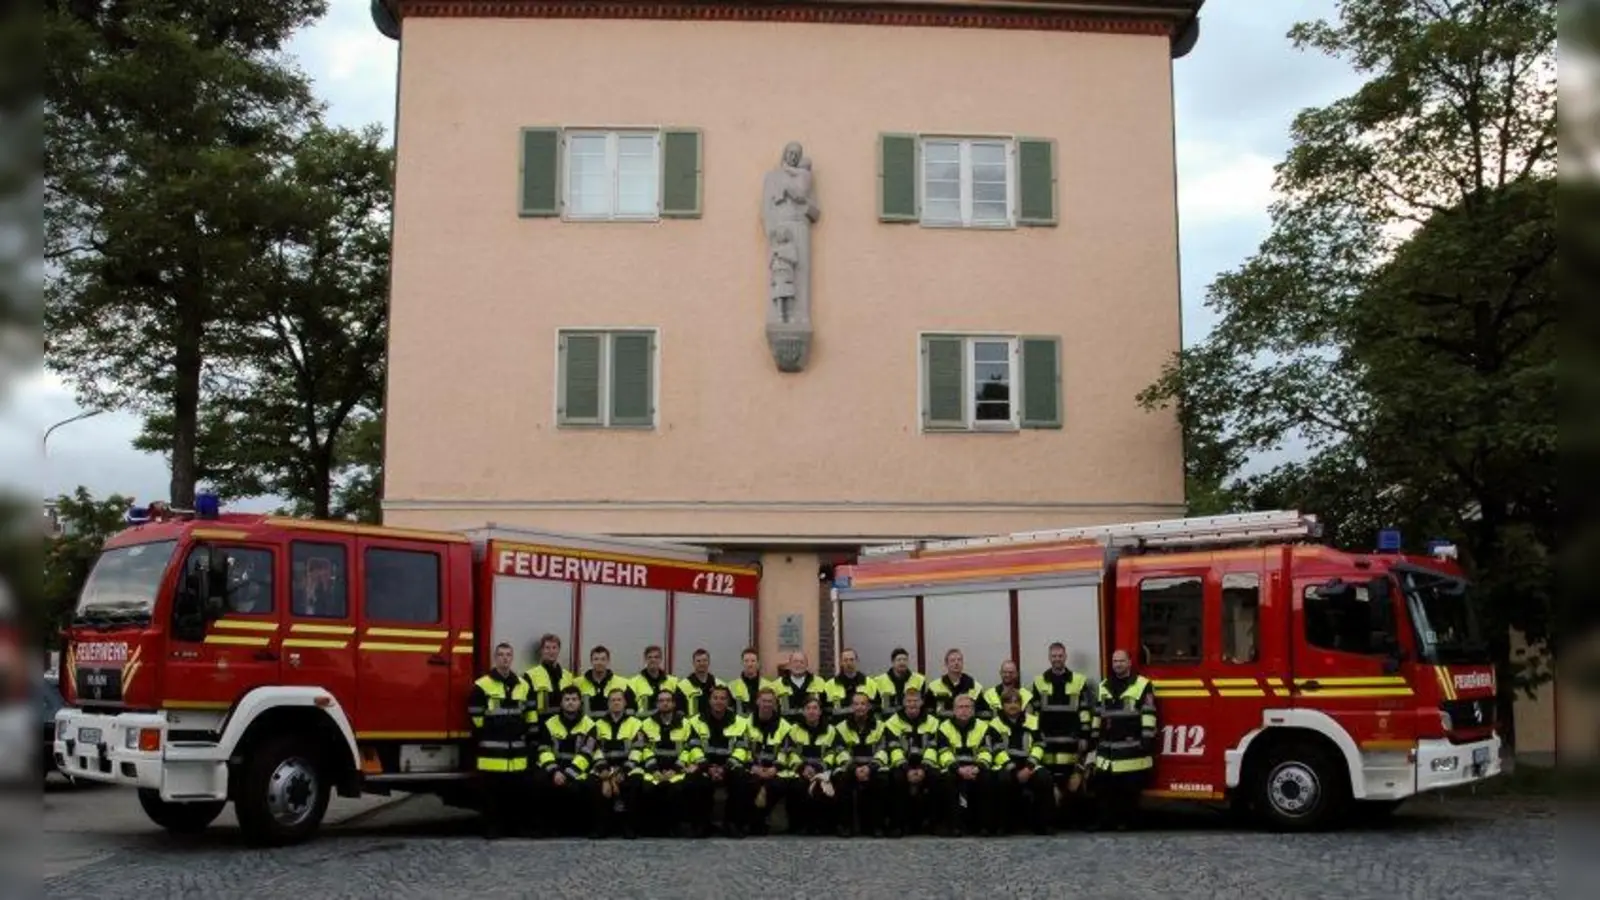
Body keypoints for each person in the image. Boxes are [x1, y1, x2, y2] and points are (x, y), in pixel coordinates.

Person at [466, 641, 531, 839]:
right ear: (495, 658)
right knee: (491, 796)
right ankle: (492, 829)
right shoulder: (482, 685)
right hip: (492, 754)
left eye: (508, 655)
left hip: (517, 754)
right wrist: (492, 733)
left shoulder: (523, 685)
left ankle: (514, 828)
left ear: (512, 658)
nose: (505, 658)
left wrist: (525, 735)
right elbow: (476, 717)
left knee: (515, 795)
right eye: (501, 655)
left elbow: (530, 715)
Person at [1089, 648, 1157, 831]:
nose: (1117, 664)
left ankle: (1126, 822)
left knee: (1129, 791)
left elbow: (1149, 712)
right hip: (1107, 748)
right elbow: (1097, 713)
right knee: (1103, 789)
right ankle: (1104, 822)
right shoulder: (1104, 685)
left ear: (1129, 662)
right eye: (1115, 661)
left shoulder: (1143, 685)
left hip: (1132, 748)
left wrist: (1147, 738)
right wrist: (1094, 735)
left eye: (1121, 661)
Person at [1032, 641, 1094, 824]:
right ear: (1049, 658)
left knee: (1073, 782)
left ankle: (1075, 822)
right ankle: (1051, 822)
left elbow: (1084, 712)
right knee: (1048, 783)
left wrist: (1084, 736)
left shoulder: (1078, 681)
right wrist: (1036, 737)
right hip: (1047, 742)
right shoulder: (1039, 682)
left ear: (1065, 657)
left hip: (1071, 741)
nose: (1057, 659)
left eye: (1060, 656)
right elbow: (1034, 714)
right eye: (1054, 656)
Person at [631, 688, 705, 837]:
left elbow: (691, 747)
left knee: (678, 790)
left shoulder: (685, 724)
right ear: (657, 704)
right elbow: (643, 749)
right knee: (646, 788)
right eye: (661, 701)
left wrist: (676, 769)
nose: (665, 703)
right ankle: (652, 827)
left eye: (668, 701)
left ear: (673, 704)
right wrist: (655, 771)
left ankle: (675, 827)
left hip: (677, 771)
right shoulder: (646, 724)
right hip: (652, 772)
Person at [689, 685, 751, 838]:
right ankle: (702, 824)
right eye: (715, 698)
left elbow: (742, 749)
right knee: (695, 780)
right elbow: (693, 748)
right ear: (710, 701)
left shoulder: (740, 722)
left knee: (741, 778)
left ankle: (732, 824)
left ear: (728, 702)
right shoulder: (696, 721)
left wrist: (726, 767)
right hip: (705, 766)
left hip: (729, 766)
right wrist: (707, 767)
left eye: (723, 698)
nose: (719, 701)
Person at [989, 687, 1054, 835]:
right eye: (1008, 702)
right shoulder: (995, 724)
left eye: (1016, 701)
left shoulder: (1033, 721)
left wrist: (1029, 767)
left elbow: (1039, 745)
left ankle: (1043, 825)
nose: (1013, 705)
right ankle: (1003, 826)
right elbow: (996, 749)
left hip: (1029, 764)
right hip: (1006, 765)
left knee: (1044, 778)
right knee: (1003, 780)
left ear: (1021, 704)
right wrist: (1013, 769)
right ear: (1002, 705)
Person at [535, 685, 595, 837]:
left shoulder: (590, 725)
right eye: (567, 699)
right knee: (539, 783)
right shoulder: (550, 723)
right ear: (561, 703)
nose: (570, 702)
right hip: (553, 769)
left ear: (580, 702)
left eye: (574, 699)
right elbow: (544, 750)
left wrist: (567, 774)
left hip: (577, 770)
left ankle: (576, 828)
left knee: (582, 787)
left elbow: (587, 753)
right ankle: (546, 828)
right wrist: (555, 771)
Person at [832, 690, 890, 837]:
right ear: (851, 707)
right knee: (841, 780)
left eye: (863, 704)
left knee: (883, 781)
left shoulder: (880, 726)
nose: (859, 707)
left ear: (869, 707)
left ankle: (877, 826)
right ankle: (845, 826)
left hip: (873, 768)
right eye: (856, 704)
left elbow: (884, 750)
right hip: (850, 768)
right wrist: (854, 769)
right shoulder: (841, 727)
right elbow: (840, 751)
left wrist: (870, 768)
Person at [885, 686, 942, 836]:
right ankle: (898, 825)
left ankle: (934, 824)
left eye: (915, 700)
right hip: (902, 764)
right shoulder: (893, 722)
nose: (912, 704)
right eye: (909, 701)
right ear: (903, 703)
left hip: (926, 763)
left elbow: (933, 746)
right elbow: (893, 748)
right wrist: (906, 768)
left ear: (922, 702)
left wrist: (923, 768)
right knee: (896, 779)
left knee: (937, 777)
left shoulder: (933, 722)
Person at [936, 694, 996, 836]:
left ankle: (983, 827)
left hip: (976, 767)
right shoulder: (944, 727)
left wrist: (978, 767)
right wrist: (958, 769)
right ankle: (955, 826)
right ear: (954, 710)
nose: (964, 710)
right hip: (954, 768)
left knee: (988, 779)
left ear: (973, 710)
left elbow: (986, 751)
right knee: (947, 780)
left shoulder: (983, 727)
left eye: (967, 707)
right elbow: (943, 752)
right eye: (960, 707)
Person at [780, 696, 839, 836]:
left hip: (823, 771)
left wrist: (818, 770)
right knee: (796, 786)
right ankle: (798, 826)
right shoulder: (794, 730)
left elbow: (834, 752)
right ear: (803, 712)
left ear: (820, 712)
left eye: (815, 708)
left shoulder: (831, 730)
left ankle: (822, 826)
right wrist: (803, 768)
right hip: (800, 770)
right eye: (808, 708)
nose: (811, 711)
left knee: (824, 785)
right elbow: (790, 752)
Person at [589, 688, 641, 839]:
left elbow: (638, 750)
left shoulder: (636, 724)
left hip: (628, 768)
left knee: (635, 784)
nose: (616, 703)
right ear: (608, 703)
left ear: (625, 703)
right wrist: (605, 774)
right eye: (613, 700)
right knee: (591, 784)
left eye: (619, 700)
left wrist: (621, 772)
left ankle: (628, 827)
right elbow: (593, 749)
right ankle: (601, 827)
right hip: (603, 768)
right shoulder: (597, 725)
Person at [743, 687, 791, 835]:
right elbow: (742, 749)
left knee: (779, 785)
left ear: (775, 703)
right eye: (764, 701)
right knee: (746, 783)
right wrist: (753, 767)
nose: (767, 704)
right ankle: (754, 822)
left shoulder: (784, 726)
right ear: (757, 702)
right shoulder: (745, 724)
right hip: (752, 768)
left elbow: (786, 751)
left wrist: (775, 768)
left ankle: (758, 821)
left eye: (770, 701)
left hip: (774, 770)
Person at [575, 645, 635, 717]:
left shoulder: (622, 683)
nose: (599, 662)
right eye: (596, 659)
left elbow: (631, 709)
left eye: (603, 659)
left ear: (608, 661)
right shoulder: (577, 683)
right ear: (591, 661)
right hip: (586, 726)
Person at [524, 632, 574, 717]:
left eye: (554, 648)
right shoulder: (530, 675)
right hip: (542, 723)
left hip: (563, 723)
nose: (551, 651)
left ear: (558, 650)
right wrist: (533, 727)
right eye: (547, 648)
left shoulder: (568, 676)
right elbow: (529, 705)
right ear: (542, 650)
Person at [825, 647, 877, 723]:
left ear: (857, 661)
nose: (849, 663)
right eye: (845, 660)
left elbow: (876, 707)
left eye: (851, 660)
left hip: (864, 728)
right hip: (839, 729)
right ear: (841, 663)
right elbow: (825, 710)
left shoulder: (870, 683)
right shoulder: (829, 685)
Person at [927, 648, 982, 719]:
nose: (956, 663)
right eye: (952, 660)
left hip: (967, 726)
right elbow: (928, 710)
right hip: (942, 727)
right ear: (946, 664)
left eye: (959, 660)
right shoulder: (934, 686)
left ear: (963, 663)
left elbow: (982, 711)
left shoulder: (975, 686)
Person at [775, 650, 828, 723]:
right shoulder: (777, 684)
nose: (798, 664)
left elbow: (825, 708)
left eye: (802, 662)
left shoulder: (819, 682)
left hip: (811, 729)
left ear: (807, 666)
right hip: (787, 729)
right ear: (789, 665)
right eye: (795, 661)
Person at [873, 647, 926, 717]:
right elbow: (876, 707)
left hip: (911, 720)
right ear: (893, 662)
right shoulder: (879, 681)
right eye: (899, 660)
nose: (902, 662)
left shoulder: (920, 680)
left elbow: (922, 705)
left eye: (905, 660)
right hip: (887, 721)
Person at [630, 645, 679, 718]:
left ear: (661, 659)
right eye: (650, 657)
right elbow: (631, 710)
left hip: (667, 724)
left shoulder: (673, 681)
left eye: (656, 657)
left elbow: (678, 706)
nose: (653, 660)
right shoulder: (633, 682)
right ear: (645, 660)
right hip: (643, 724)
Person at [677, 648, 723, 719]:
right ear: (693, 663)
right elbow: (679, 712)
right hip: (692, 728)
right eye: (698, 661)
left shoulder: (720, 685)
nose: (702, 664)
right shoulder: (682, 686)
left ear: (709, 662)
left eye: (705, 660)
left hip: (715, 726)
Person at [729, 647, 772, 716]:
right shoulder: (732, 686)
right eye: (746, 661)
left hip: (762, 725)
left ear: (758, 663)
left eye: (753, 661)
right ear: (742, 663)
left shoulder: (769, 686)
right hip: (741, 726)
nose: (750, 664)